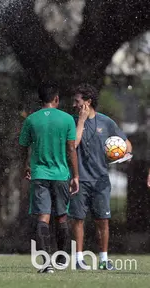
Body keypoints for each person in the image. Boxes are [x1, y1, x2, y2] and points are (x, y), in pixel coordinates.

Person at [69, 83, 133, 270]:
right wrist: (80, 121)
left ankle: (104, 260)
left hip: (101, 181)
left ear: (88, 102)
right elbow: (74, 144)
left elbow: (127, 145)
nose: (74, 104)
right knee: (78, 219)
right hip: (79, 179)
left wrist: (122, 155)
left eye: (77, 101)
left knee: (102, 220)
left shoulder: (107, 122)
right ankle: (79, 259)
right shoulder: (72, 122)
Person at [19, 83, 79, 273]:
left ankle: (46, 264)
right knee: (61, 217)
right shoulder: (67, 119)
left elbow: (23, 145)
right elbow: (71, 148)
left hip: (39, 175)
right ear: (56, 99)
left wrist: (26, 165)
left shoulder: (31, 120)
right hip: (61, 175)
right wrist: (76, 175)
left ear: (40, 100)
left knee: (42, 218)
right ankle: (61, 256)